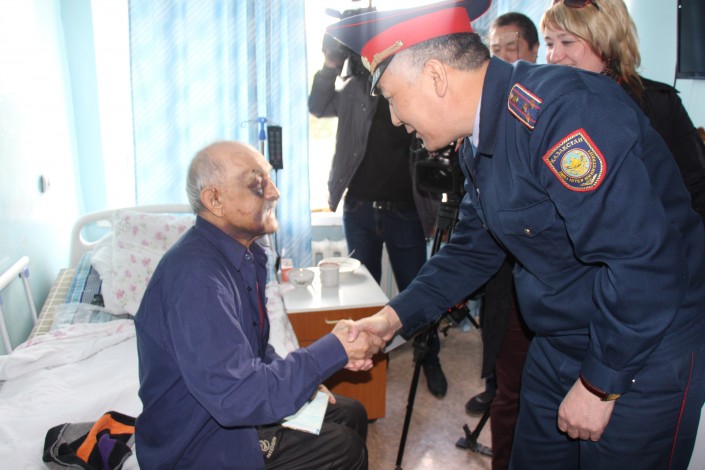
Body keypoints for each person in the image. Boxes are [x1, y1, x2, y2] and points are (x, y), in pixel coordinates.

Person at [326, 0, 705, 468]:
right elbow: (471, 251)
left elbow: (643, 263)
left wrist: (599, 384)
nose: (396, 120)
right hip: (561, 340)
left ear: (436, 77)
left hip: (641, 351)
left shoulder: (562, 114)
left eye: (391, 98)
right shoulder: (480, 136)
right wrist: (391, 319)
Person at [134, 141, 382, 469]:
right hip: (199, 445)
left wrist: (304, 381)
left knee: (351, 413)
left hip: (231, 410)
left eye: (270, 180)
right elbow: (237, 396)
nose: (274, 192)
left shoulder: (247, 257)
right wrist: (329, 352)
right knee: (344, 448)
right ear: (214, 200)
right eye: (257, 183)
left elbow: (254, 351)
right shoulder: (197, 280)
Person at [308, 26, 447, 398]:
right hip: (359, 210)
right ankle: (361, 361)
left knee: (418, 292)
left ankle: (428, 356)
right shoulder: (355, 89)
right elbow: (317, 105)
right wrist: (330, 60)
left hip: (406, 212)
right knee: (360, 298)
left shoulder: (412, 88)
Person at [541, 0, 705, 225]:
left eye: (567, 42)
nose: (554, 56)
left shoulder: (658, 103)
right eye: (549, 43)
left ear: (606, 41)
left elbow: (696, 186)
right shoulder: (545, 110)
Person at [462, 12, 538, 470]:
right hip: (506, 283)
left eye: (512, 47)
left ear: (532, 51)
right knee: (508, 388)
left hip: (557, 300)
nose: (503, 57)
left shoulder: (546, 117)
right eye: (496, 49)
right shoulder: (476, 134)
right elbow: (472, 242)